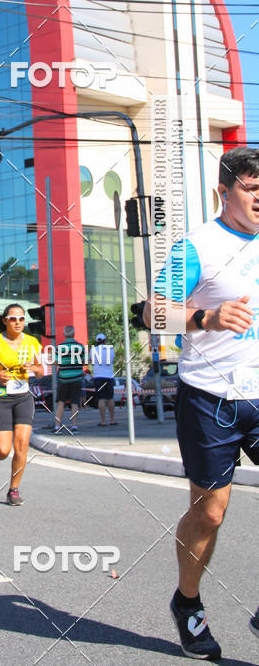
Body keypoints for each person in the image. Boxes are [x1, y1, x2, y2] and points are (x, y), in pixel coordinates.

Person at [143, 146, 259, 659]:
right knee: (210, 514)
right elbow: (152, 313)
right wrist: (205, 320)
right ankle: (187, 602)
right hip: (211, 398)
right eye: (252, 189)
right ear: (224, 191)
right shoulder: (197, 246)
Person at [0, 303, 44, 505]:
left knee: (22, 445)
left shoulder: (32, 342)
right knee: (4, 449)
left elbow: (41, 371)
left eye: (21, 319)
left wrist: (33, 367)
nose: (18, 322)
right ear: (5, 321)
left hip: (23, 397)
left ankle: (13, 490)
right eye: (13, 318)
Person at [54, 325, 86, 434]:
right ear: (74, 334)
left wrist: (65, 362)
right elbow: (84, 361)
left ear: (64, 334)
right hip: (76, 378)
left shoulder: (59, 347)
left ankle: (57, 426)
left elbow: (56, 361)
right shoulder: (80, 347)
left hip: (63, 378)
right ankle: (74, 426)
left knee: (61, 402)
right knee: (74, 403)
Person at [91, 334, 116, 426]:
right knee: (110, 398)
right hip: (109, 376)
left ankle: (103, 421)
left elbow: (91, 361)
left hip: (98, 377)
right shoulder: (110, 349)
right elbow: (113, 359)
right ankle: (112, 420)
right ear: (105, 340)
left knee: (101, 399)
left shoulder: (93, 350)